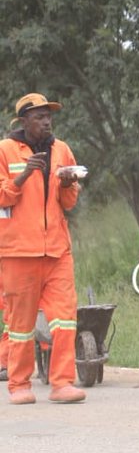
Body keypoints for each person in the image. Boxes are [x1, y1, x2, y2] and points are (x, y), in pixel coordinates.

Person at [0, 93, 86, 404]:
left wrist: (66, 184)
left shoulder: (62, 150)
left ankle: (62, 383)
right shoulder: (5, 150)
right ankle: (19, 385)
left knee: (65, 319)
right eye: (39, 116)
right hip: (18, 252)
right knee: (20, 325)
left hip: (57, 251)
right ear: (23, 121)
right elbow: (2, 198)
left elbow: (70, 202)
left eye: (48, 116)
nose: (46, 121)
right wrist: (23, 176)